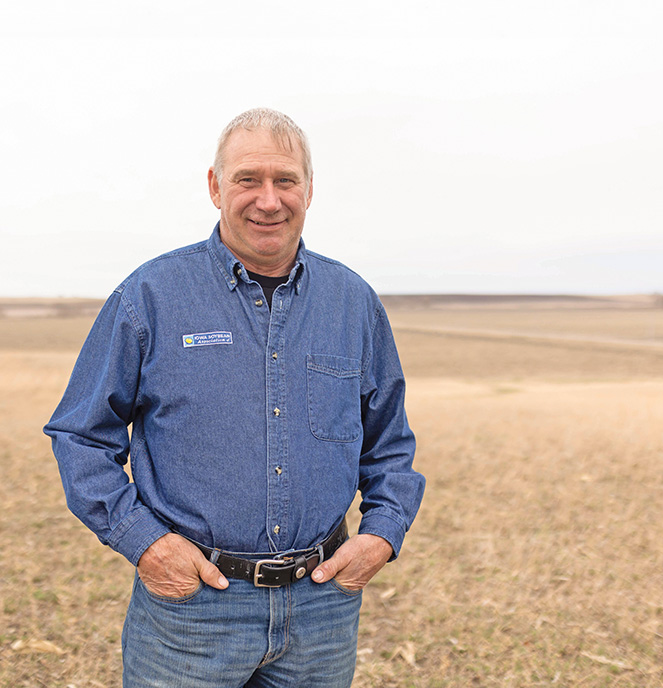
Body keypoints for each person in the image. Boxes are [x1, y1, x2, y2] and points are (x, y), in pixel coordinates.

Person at [44, 107, 425, 688]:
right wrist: (145, 544)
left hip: (322, 610)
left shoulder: (353, 302)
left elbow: (389, 442)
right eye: (248, 179)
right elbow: (80, 435)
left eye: (285, 180)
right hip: (191, 611)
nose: (268, 200)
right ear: (216, 187)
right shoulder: (150, 295)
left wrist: (382, 533)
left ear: (309, 191)